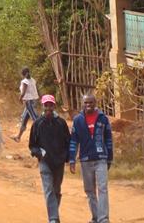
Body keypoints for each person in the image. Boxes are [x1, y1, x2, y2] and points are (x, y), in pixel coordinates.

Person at [69, 93, 113, 223]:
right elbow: (74, 141)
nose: (88, 105)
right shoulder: (77, 120)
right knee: (89, 190)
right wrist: (72, 159)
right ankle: (95, 217)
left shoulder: (103, 118)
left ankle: (103, 219)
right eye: (86, 103)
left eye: (91, 102)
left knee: (102, 188)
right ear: (83, 104)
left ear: (95, 103)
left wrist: (110, 158)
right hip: (85, 160)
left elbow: (108, 139)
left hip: (101, 159)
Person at [29, 94, 71, 223]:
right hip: (45, 162)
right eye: (46, 105)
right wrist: (39, 154)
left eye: (50, 105)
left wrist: (66, 157)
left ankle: (54, 213)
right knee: (49, 190)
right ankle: (53, 218)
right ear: (42, 106)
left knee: (56, 190)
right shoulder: (37, 123)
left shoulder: (61, 123)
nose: (48, 108)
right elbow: (32, 145)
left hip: (59, 162)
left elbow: (68, 142)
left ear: (54, 106)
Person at [13, 67, 39, 142]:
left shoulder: (25, 81)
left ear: (23, 74)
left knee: (36, 119)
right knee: (24, 119)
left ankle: (44, 137)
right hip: (33, 101)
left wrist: (20, 98)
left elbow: (23, 92)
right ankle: (18, 137)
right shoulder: (33, 80)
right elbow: (36, 90)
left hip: (29, 102)